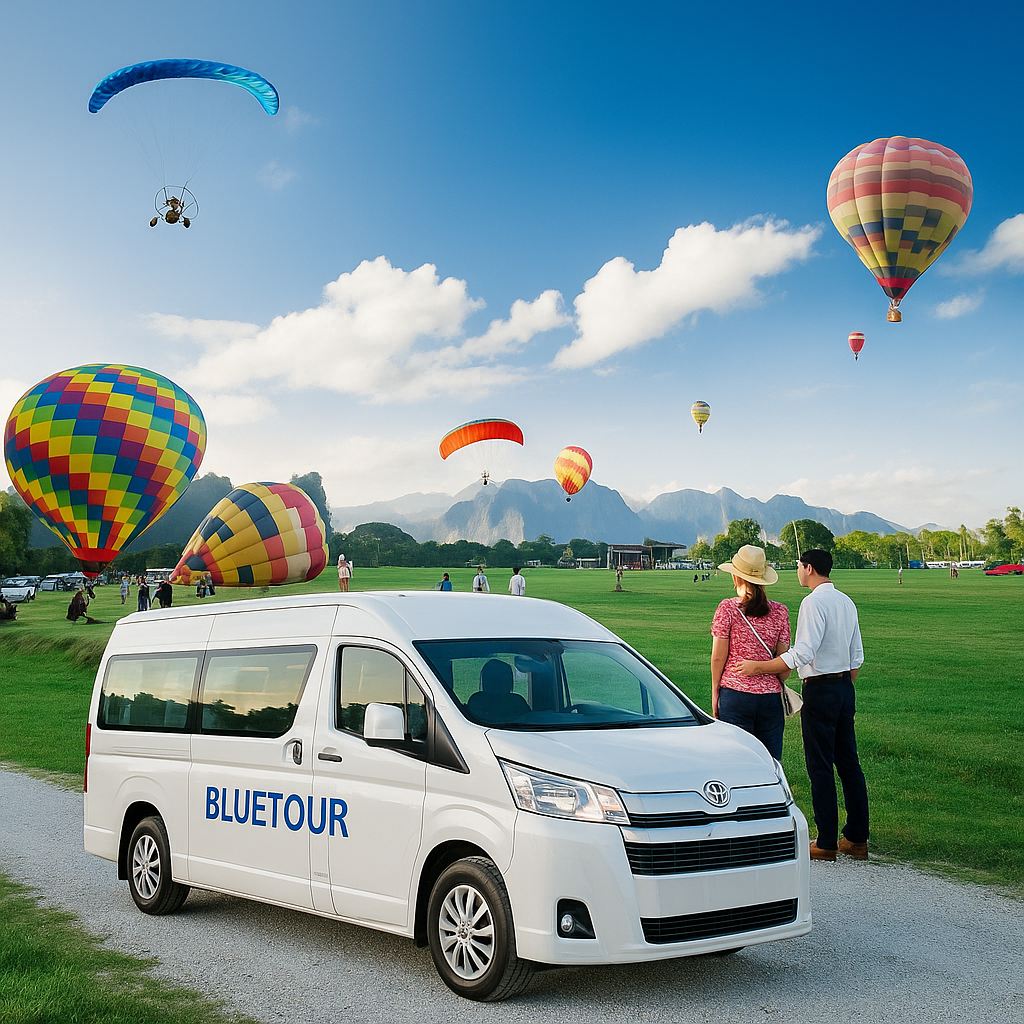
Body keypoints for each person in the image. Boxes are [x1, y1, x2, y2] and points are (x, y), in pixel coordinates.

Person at [736, 548, 867, 862]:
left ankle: (825, 842)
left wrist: (760, 667)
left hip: (820, 689)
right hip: (844, 688)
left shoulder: (812, 602)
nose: (797, 571)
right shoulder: (846, 601)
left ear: (808, 568)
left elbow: (804, 652)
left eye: (798, 566)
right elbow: (856, 656)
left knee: (819, 765)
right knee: (848, 763)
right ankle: (857, 838)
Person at [710, 545, 791, 760]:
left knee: (736, 762)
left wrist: (715, 691)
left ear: (736, 577)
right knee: (771, 763)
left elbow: (719, 656)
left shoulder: (727, 609)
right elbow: (784, 665)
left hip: (735, 694)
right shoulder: (781, 611)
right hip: (770, 699)